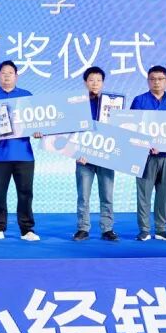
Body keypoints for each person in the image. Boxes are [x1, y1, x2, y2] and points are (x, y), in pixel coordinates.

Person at [0, 60, 39, 241]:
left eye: (10, 73)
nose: (6, 76)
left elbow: (38, 122)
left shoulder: (27, 97)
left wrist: (39, 130)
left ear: (16, 76)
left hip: (24, 154)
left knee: (25, 193)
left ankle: (27, 229)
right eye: (3, 73)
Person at [131, 65, 166, 241]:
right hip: (144, 157)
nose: (156, 82)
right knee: (143, 195)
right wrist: (144, 145)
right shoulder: (139, 101)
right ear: (148, 81)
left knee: (164, 195)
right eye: (153, 79)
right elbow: (131, 128)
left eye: (160, 79)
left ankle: (161, 229)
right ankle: (144, 230)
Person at [74, 66, 119, 242]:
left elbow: (119, 129)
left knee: (107, 195)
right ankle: (83, 228)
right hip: (83, 157)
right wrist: (76, 152)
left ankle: (107, 229)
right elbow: (71, 130)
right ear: (85, 82)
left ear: (103, 83)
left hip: (106, 155)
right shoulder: (77, 104)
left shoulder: (112, 104)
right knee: (83, 195)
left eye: (99, 80)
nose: (95, 83)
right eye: (91, 80)